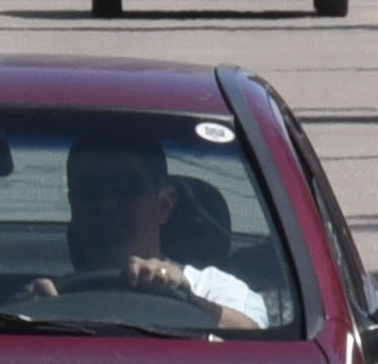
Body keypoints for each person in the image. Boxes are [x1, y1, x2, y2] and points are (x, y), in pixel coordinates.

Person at [34, 126, 262, 328]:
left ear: (163, 206)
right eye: (89, 190)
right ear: (73, 202)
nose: (105, 203)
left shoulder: (215, 290)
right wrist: (29, 317)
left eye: (125, 189)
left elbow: (261, 347)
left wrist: (189, 300)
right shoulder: (47, 298)